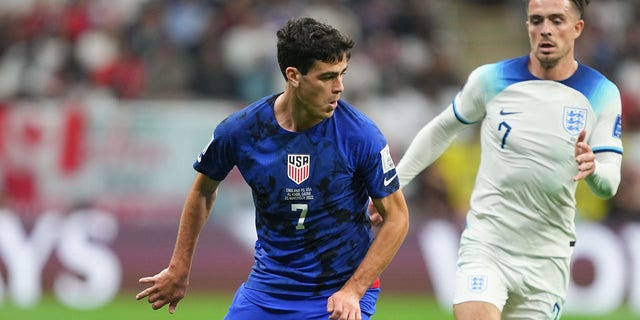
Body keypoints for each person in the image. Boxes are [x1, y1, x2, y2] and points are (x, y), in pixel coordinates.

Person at [135, 17, 409, 320]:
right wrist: (179, 266)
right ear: (293, 75)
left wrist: (353, 290)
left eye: (342, 74)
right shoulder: (240, 131)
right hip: (267, 290)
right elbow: (203, 190)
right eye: (327, 77)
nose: (339, 87)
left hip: (338, 293)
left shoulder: (361, 135)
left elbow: (396, 217)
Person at [371, 0, 623, 319]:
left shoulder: (602, 93)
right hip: (487, 247)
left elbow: (609, 184)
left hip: (547, 261)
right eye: (537, 20)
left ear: (577, 28)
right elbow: (440, 130)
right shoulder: (491, 79)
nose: (546, 29)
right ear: (527, 26)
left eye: (557, 20)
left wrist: (594, 170)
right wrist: (392, 187)